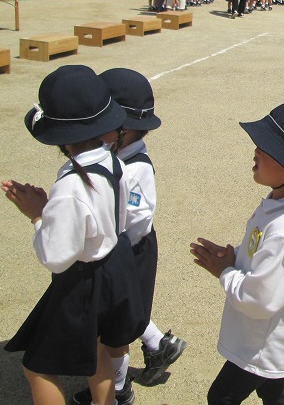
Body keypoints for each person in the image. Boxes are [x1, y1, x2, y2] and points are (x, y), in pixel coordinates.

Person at [2, 65, 146, 405]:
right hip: (113, 267)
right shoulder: (113, 161)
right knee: (97, 349)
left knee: (38, 367)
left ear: (60, 135)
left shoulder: (71, 187)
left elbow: (56, 257)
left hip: (83, 283)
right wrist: (52, 210)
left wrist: (38, 215)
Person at [191, 101, 284, 405]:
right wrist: (235, 257)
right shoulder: (283, 200)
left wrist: (225, 272)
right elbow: (263, 256)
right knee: (273, 392)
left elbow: (262, 300)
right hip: (272, 335)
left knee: (220, 397)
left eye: (265, 148)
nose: (256, 150)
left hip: (263, 342)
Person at [98, 69, 187, 391]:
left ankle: (118, 389)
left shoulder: (133, 170)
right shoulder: (113, 156)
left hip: (127, 250)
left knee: (114, 327)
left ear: (123, 129)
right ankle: (158, 344)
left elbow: (133, 223)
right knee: (122, 309)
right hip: (117, 247)